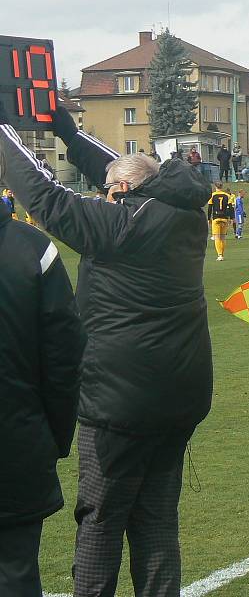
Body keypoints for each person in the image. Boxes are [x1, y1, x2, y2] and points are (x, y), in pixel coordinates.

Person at [0, 104, 212, 597]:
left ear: (121, 195)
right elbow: (131, 172)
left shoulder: (119, 228)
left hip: (118, 400)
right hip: (180, 397)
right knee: (157, 519)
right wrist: (70, 136)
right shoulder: (186, 214)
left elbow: (44, 197)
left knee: (100, 519)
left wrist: (4, 133)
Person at [0, 175, 85, 597]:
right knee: (14, 570)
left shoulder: (36, 248)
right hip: (17, 438)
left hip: (18, 435)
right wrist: (52, 435)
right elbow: (64, 360)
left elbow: (64, 356)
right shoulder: (33, 247)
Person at [208, 182, 232, 260]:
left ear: (215, 187)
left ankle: (220, 255)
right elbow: (230, 208)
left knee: (217, 237)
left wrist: (209, 219)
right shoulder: (227, 196)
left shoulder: (212, 195)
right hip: (224, 218)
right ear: (222, 187)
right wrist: (231, 218)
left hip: (216, 218)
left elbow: (210, 208)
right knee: (223, 237)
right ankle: (222, 254)